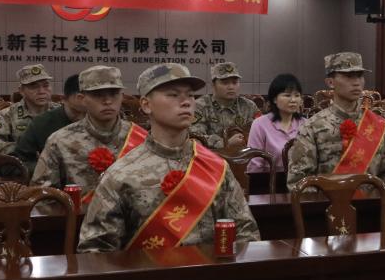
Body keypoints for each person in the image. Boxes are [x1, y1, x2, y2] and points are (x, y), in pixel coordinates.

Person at [79, 63, 259, 252]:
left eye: (190, 95)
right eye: (173, 95)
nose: (186, 102)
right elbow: (96, 251)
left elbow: (246, 232)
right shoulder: (120, 174)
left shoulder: (216, 167)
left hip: (211, 269)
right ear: (146, 105)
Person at [31, 66, 148, 200]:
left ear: (122, 96)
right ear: (82, 99)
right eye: (98, 95)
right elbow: (41, 197)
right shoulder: (60, 141)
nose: (108, 101)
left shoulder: (141, 138)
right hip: (78, 213)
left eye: (114, 94)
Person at [286, 52, 385, 190]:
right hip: (324, 202)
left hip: (372, 202)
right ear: (330, 82)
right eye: (348, 76)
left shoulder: (377, 124)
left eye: (360, 76)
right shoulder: (313, 127)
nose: (356, 82)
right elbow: (298, 182)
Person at [12, 73, 87, 175]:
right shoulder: (42, 123)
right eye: (76, 112)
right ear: (63, 100)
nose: (41, 91)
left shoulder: (102, 119)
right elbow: (17, 163)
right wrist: (47, 167)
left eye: (46, 86)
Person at [0, 64, 60, 155]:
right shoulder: (7, 115)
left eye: (46, 86)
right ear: (21, 91)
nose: (41, 91)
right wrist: (22, 149)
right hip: (22, 162)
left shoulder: (61, 112)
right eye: (34, 87)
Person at [247, 73, 306, 174]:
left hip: (301, 179)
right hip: (269, 180)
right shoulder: (260, 124)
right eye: (287, 95)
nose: (293, 100)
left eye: (297, 95)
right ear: (274, 99)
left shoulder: (306, 124)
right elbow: (255, 164)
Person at [191, 62, 260, 149]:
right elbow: (196, 136)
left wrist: (245, 138)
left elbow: (260, 132)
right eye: (225, 83)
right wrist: (225, 143)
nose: (231, 87)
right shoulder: (200, 106)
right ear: (213, 85)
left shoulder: (249, 106)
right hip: (211, 155)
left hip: (246, 154)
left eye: (235, 82)